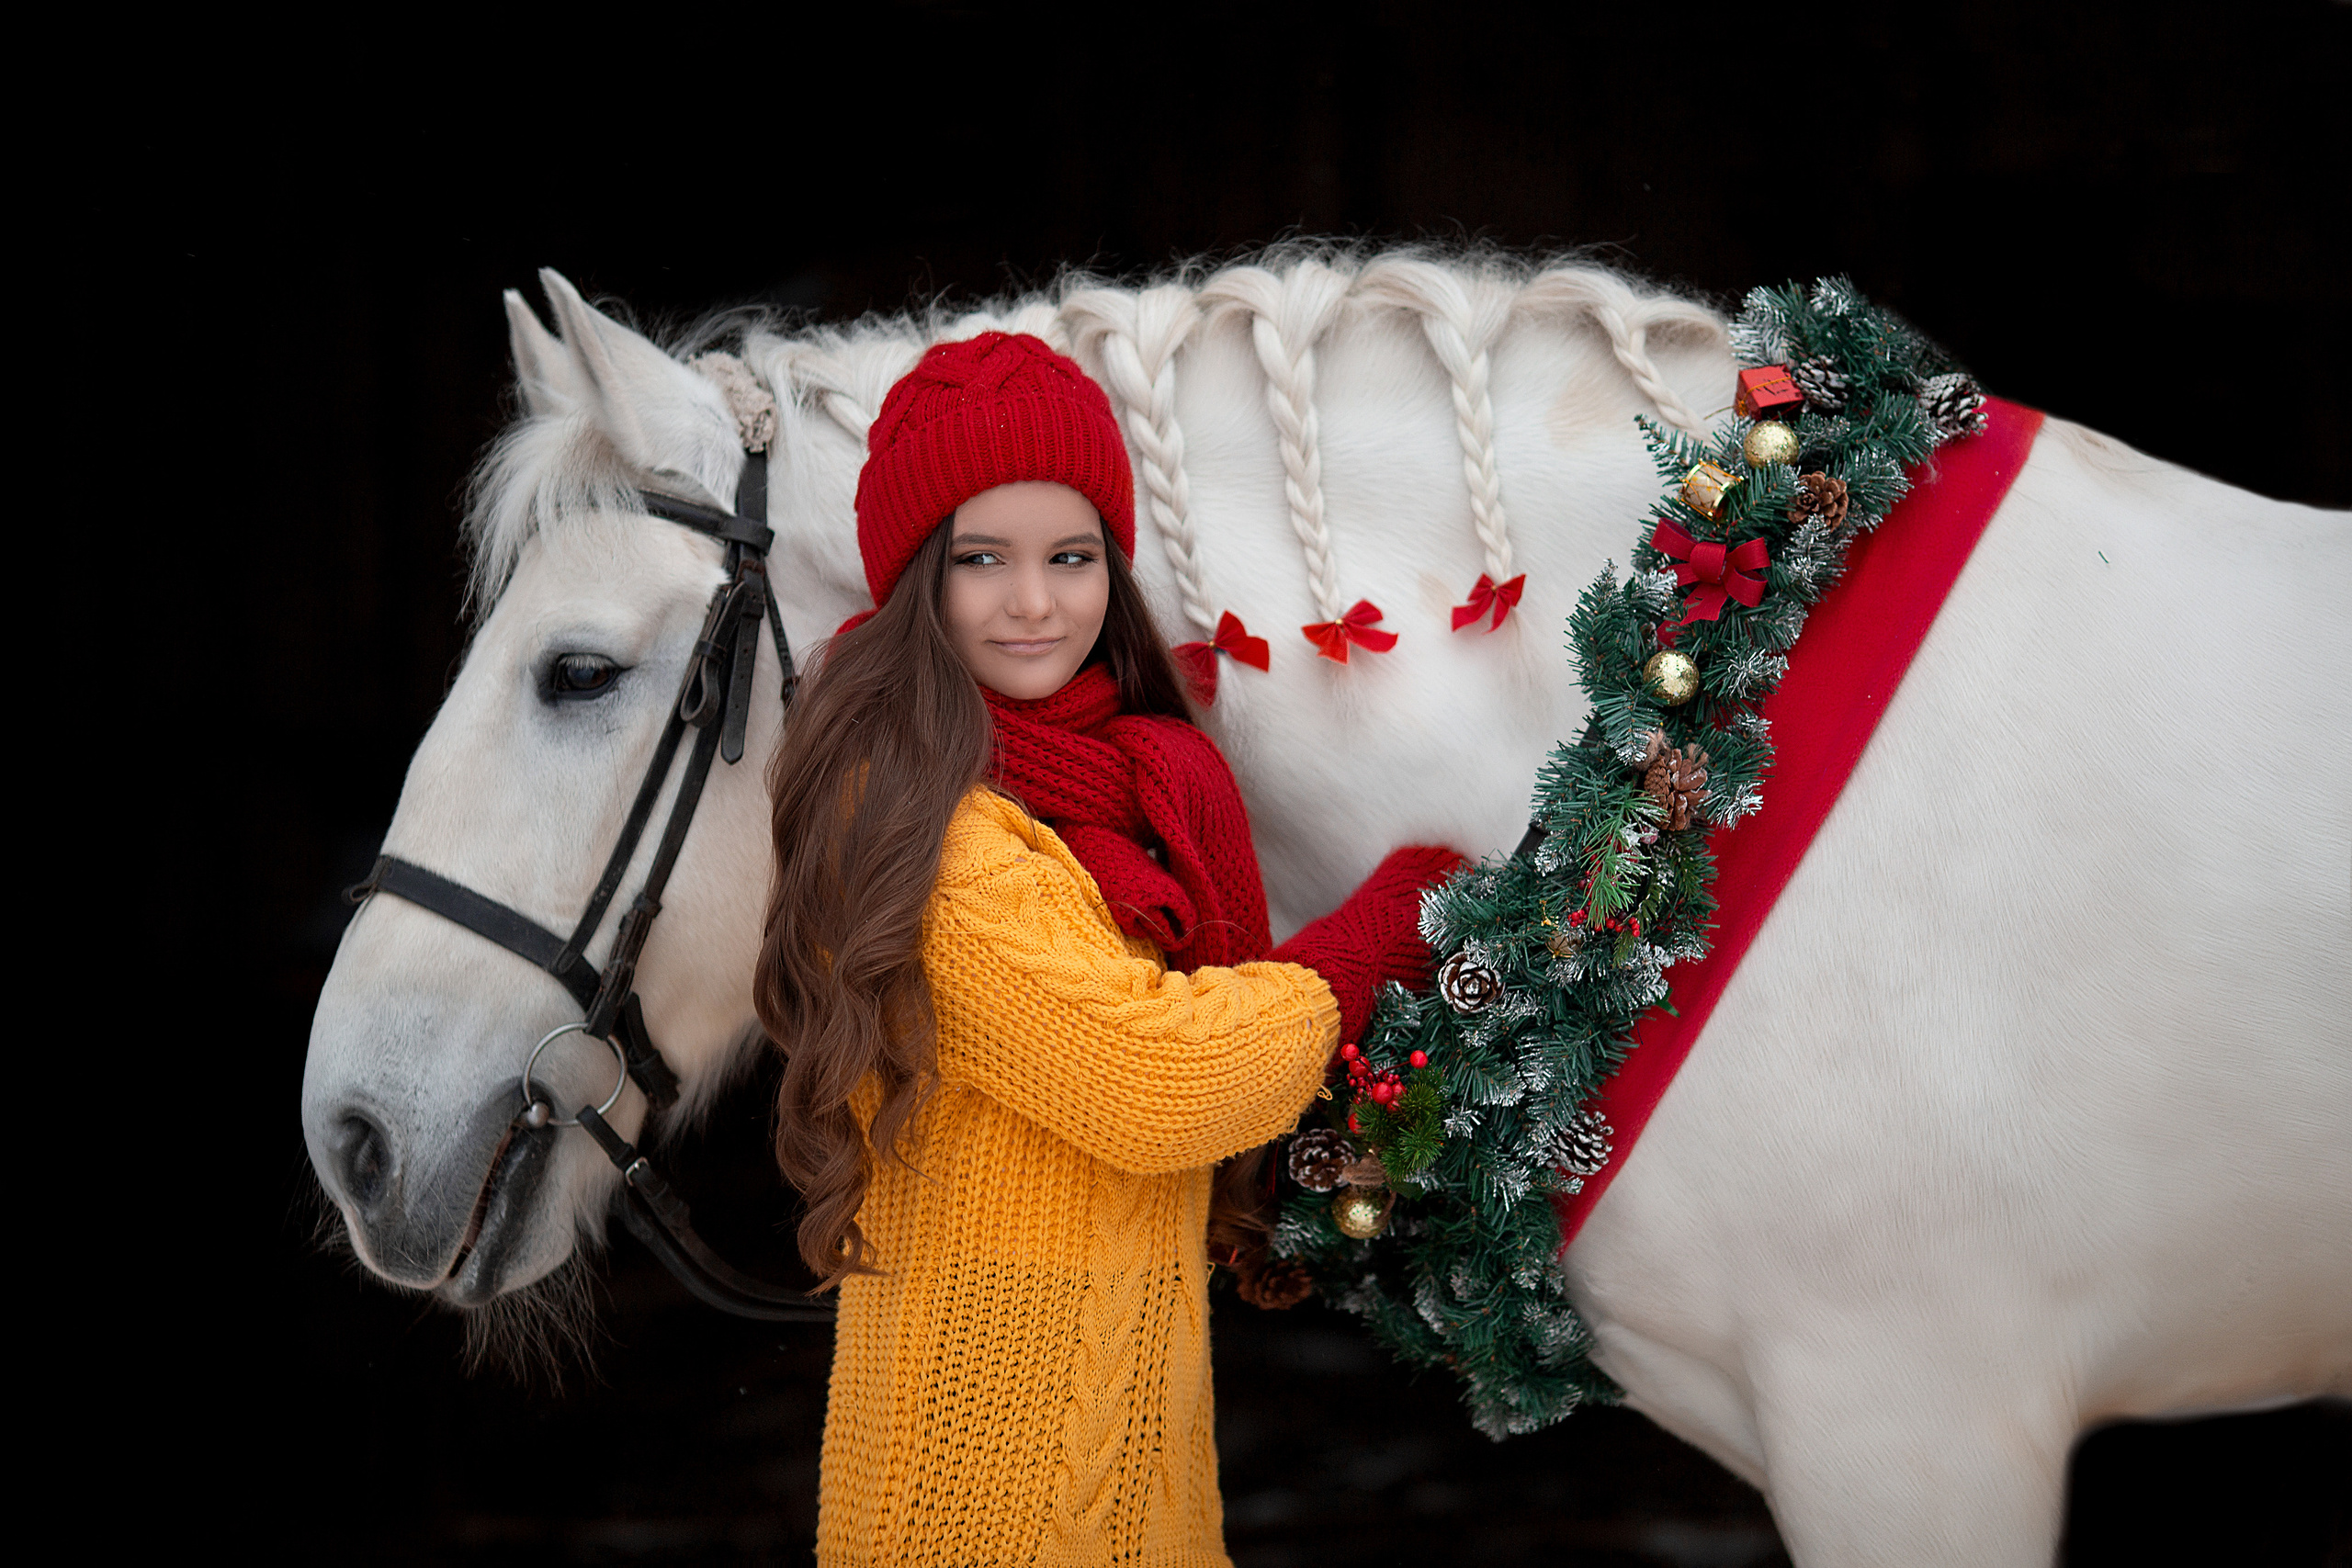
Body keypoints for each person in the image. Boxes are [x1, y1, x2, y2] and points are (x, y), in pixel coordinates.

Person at [754, 332, 1459, 1567]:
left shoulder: (1123, 799)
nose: (1036, 602)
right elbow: (1159, 1077)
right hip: (969, 1513)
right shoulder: (922, 826)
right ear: (919, 580)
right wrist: (1382, 930)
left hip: (1132, 1485)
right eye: (984, 560)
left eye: (1071, 556)